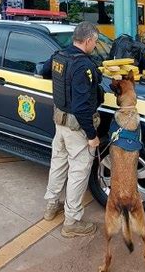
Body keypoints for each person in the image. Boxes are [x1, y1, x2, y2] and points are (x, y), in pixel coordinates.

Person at [42, 21, 102, 237]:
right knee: (78, 171)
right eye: (95, 42)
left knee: (58, 164)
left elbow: (44, 70)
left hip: (59, 123)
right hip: (77, 128)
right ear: (87, 40)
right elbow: (81, 107)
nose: (94, 46)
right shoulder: (83, 66)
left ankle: (51, 206)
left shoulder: (59, 56)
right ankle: (71, 222)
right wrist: (92, 136)